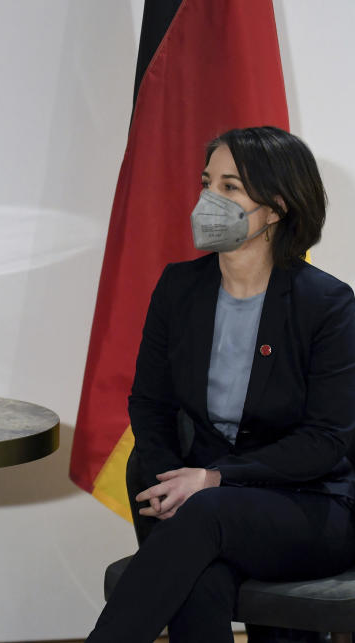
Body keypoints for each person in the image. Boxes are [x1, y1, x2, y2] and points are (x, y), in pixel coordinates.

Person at [86, 126, 355, 643]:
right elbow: (150, 404)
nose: (209, 199)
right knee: (199, 576)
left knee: (201, 519)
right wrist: (171, 476)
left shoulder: (326, 304)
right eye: (207, 182)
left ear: (276, 208)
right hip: (201, 502)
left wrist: (214, 478)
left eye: (230, 188)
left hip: (310, 503)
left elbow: (324, 441)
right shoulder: (179, 288)